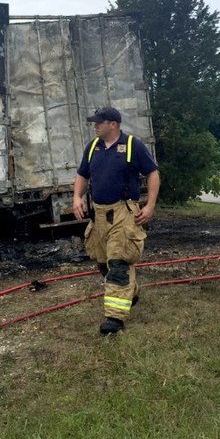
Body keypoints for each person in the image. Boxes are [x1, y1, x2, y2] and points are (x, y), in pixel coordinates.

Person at [73, 106, 160, 335]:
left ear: (113, 124)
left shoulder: (133, 146)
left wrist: (150, 205)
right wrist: (76, 198)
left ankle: (115, 319)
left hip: (123, 212)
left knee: (118, 264)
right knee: (103, 263)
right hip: (99, 214)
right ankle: (130, 291)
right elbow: (82, 175)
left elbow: (152, 173)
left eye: (99, 122)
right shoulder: (93, 147)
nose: (95, 125)